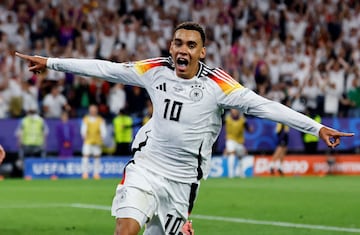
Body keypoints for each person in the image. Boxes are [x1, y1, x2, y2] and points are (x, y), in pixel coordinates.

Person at [16, 22, 354, 235]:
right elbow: (106, 69)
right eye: (178, 43)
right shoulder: (154, 69)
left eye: (190, 45)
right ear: (171, 47)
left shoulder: (219, 85)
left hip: (182, 183)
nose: (182, 50)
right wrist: (51, 62)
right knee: (126, 229)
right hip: (146, 169)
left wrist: (316, 128)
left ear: (201, 52)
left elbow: (266, 106)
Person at [224, 108, 253, 178]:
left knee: (240, 157)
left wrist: (250, 129)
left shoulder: (242, 120)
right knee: (232, 154)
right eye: (233, 109)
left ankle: (241, 173)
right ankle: (231, 174)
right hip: (230, 139)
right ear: (231, 110)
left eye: (236, 109)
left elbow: (248, 129)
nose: (234, 111)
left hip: (239, 141)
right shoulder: (227, 119)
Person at [80, 104, 106, 179]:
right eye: (91, 110)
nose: (93, 112)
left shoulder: (100, 120)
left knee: (97, 157)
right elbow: (83, 129)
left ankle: (96, 173)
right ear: (89, 111)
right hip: (88, 140)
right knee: (85, 156)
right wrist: (83, 135)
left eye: (94, 110)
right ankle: (85, 173)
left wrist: (102, 137)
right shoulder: (86, 119)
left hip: (97, 141)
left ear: (96, 111)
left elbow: (103, 130)